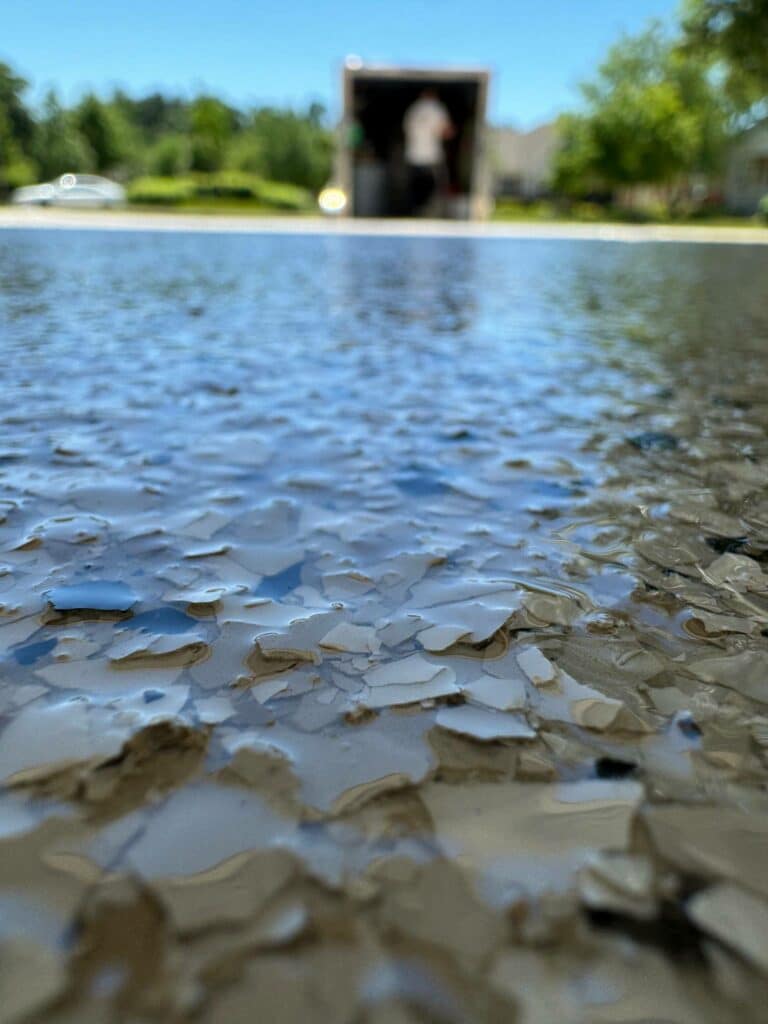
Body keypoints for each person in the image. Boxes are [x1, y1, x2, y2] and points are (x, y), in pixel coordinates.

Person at [402, 88, 453, 215]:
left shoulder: (413, 109)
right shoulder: (437, 108)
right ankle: (433, 215)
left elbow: (406, 130)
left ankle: (414, 214)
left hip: (413, 156)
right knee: (435, 189)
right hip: (432, 157)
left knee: (415, 189)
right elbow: (446, 132)